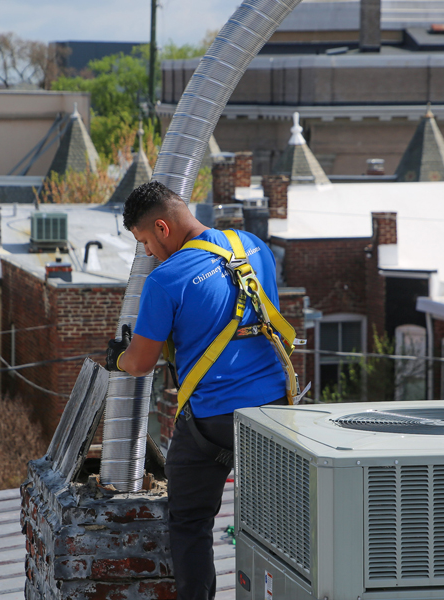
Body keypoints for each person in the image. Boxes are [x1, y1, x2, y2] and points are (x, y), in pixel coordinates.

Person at [105, 181, 289, 600]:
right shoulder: (254, 246)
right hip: (278, 411)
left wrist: (117, 355)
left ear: (163, 228)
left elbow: (140, 363)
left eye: (145, 241)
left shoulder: (166, 279)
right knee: (281, 524)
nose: (148, 252)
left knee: (189, 522)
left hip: (214, 420)